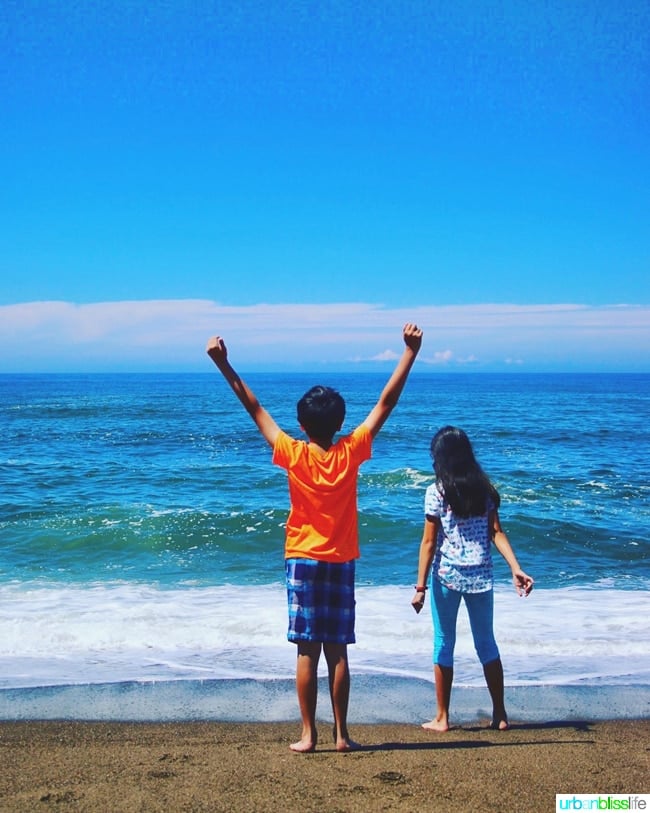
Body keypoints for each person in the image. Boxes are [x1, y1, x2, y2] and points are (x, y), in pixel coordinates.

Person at [207, 323, 423, 752]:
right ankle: (342, 736)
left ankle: (309, 735)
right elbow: (386, 402)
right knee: (338, 650)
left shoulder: (292, 452)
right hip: (341, 560)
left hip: (302, 558)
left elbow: (254, 408)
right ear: (339, 423)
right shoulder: (351, 451)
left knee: (306, 650)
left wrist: (223, 363)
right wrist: (409, 354)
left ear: (302, 424)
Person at [411, 425, 533, 732]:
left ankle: (442, 717)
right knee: (486, 643)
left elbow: (428, 542)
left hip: (447, 575)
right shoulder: (485, 490)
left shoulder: (436, 492)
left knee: (443, 643)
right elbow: (496, 533)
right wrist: (515, 567)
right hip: (482, 575)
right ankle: (500, 714)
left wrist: (420, 587)